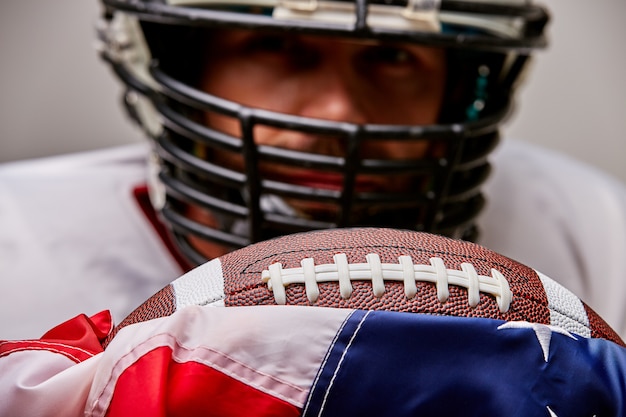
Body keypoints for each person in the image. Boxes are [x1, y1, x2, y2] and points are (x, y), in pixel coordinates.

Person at [0, 0, 625, 342]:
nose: (340, 111)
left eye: (392, 55)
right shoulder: (16, 246)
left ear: (464, 83)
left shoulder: (589, 230)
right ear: (182, 63)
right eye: (276, 47)